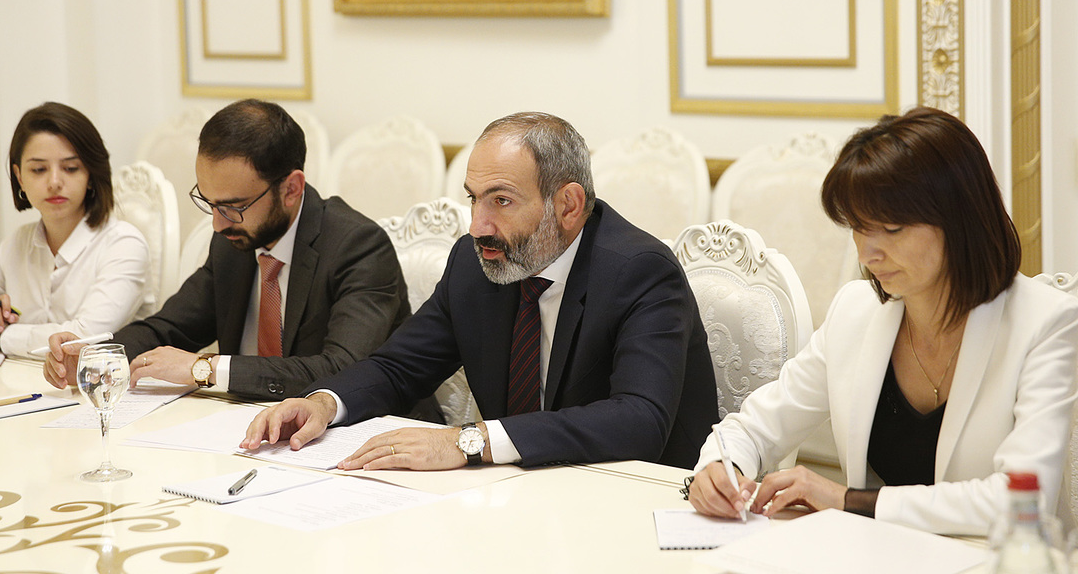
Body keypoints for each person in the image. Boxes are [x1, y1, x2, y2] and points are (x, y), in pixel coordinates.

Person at [684, 106, 1078, 536]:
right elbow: (755, 426)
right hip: (877, 555)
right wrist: (720, 468)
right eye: (859, 227)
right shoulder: (855, 312)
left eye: (891, 229)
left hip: (1003, 558)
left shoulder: (1044, 323)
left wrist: (848, 501)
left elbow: (1023, 496)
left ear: (960, 219)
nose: (867, 253)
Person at [240, 111, 719, 469]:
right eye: (474, 199)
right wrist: (324, 403)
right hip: (518, 492)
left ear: (568, 205)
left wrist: (470, 441)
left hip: (632, 499)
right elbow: (399, 367)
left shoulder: (640, 272)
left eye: (501, 201)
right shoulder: (476, 264)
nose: (478, 226)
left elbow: (639, 421)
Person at [43, 99, 411, 401]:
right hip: (246, 428)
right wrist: (95, 356)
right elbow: (168, 328)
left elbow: (342, 370)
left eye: (233, 207)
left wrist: (204, 368)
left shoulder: (358, 247)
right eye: (209, 202)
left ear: (292, 188)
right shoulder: (233, 242)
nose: (218, 224)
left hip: (362, 439)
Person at [0, 102, 150, 357]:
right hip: (18, 379)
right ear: (20, 177)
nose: (54, 182)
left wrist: (1, 337)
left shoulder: (124, 244)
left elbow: (82, 338)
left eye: (70, 168)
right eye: (39, 169)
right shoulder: (18, 244)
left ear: (90, 175)